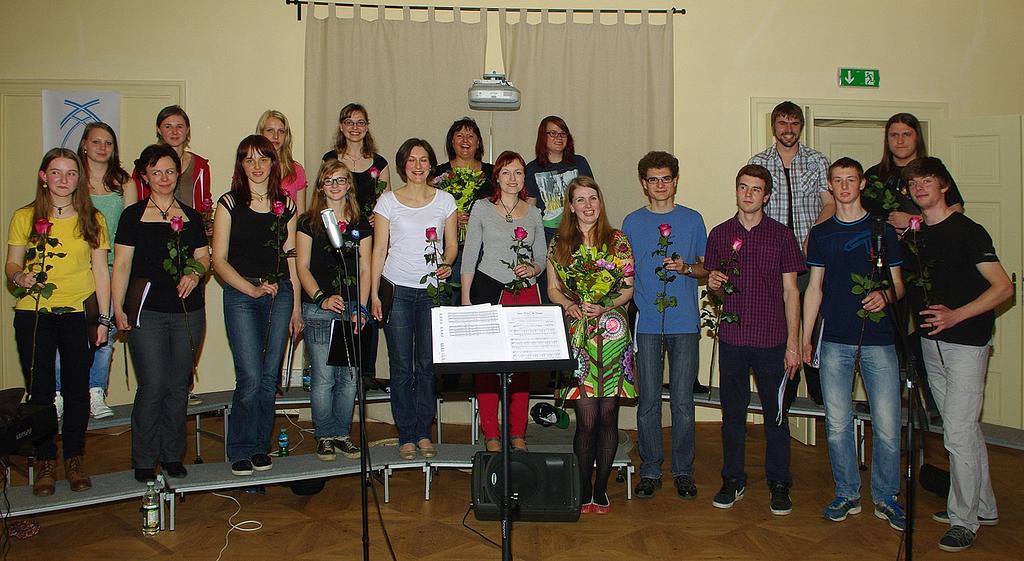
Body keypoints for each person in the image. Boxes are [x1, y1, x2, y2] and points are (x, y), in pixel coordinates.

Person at [903, 157, 1012, 553]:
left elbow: (1003, 288)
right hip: (931, 344)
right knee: (962, 429)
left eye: (927, 181)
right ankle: (984, 506)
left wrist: (956, 315)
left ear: (944, 186)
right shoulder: (915, 235)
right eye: (914, 183)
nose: (919, 188)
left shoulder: (968, 231)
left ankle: (964, 521)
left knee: (958, 433)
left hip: (966, 343)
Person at [801, 157, 906, 531]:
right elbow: (814, 288)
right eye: (838, 180)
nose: (844, 186)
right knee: (837, 424)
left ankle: (886, 497)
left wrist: (885, 295)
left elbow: (898, 285)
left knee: (888, 425)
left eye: (851, 179)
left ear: (861, 184)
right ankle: (847, 493)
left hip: (879, 340)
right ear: (830, 186)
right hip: (835, 339)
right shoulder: (822, 233)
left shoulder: (882, 230)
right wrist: (805, 337)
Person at [6, 148, 110, 496]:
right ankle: (46, 460)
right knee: (40, 391)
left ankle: (75, 458)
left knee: (77, 390)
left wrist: (103, 319)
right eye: (56, 172)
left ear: (79, 178)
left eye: (70, 172)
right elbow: (11, 263)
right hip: (34, 313)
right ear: (43, 177)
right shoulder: (25, 217)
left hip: (77, 313)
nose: (64, 179)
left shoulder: (92, 219)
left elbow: (100, 272)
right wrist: (19, 276)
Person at [705, 164, 803, 515]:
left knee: (776, 415)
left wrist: (794, 343)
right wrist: (714, 285)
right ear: (736, 190)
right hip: (733, 338)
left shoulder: (782, 236)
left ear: (767, 196)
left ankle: (779, 482)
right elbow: (716, 290)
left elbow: (792, 292)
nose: (748, 194)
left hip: (772, 338)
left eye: (756, 189)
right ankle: (733, 479)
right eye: (743, 187)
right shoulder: (719, 234)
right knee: (732, 415)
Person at [112, 144, 208, 483]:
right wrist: (117, 307)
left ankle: (172, 455)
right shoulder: (132, 216)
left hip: (187, 312)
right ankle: (143, 458)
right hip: (146, 313)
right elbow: (121, 265)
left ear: (178, 174)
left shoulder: (191, 217)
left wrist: (195, 273)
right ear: (145, 176)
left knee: (178, 385)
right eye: (156, 172)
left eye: (169, 171)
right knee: (153, 384)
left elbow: (204, 257)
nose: (164, 178)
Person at [212, 135, 302, 476]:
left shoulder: (286, 205)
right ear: (241, 165)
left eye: (263, 159)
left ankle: (260, 447)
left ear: (273, 163)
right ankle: (239, 449)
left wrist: (295, 307)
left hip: (279, 295)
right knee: (249, 376)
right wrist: (250, 289)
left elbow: (291, 258)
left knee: (268, 378)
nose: (257, 166)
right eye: (249, 160)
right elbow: (218, 261)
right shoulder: (229, 203)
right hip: (241, 295)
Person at [545, 176, 635, 514]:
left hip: (611, 334)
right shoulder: (559, 243)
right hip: (578, 336)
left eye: (593, 198)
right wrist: (569, 304)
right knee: (585, 418)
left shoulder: (618, 240)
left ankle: (601, 490)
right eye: (580, 199)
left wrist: (605, 305)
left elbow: (628, 288)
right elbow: (553, 289)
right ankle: (583, 488)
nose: (587, 205)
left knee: (608, 416)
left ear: (600, 202)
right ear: (570, 206)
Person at [622, 151, 708, 500]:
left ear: (675, 181)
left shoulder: (693, 219)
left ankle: (683, 471)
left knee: (684, 402)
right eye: (653, 179)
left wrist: (687, 268)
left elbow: (706, 268)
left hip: (684, 322)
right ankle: (651, 469)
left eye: (666, 179)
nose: (660, 185)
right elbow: (624, 273)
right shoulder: (631, 222)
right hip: (646, 324)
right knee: (648, 402)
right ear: (644, 184)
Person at [370, 139, 456, 460]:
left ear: (431, 164)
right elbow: (379, 249)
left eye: (423, 159)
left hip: (432, 291)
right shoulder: (387, 202)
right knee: (401, 365)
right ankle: (406, 433)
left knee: (427, 365)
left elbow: (451, 245)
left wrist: (447, 263)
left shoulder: (445, 200)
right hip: (398, 290)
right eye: (411, 160)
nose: (418, 166)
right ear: (403, 165)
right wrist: (374, 294)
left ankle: (423, 432)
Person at [749, 101, 833, 405]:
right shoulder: (759, 161)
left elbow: (830, 203)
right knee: (781, 328)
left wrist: (815, 232)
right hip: (773, 263)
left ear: (801, 127)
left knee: (814, 325)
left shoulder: (817, 161)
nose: (788, 129)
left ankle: (821, 394)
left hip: (810, 262)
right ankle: (784, 395)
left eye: (794, 123)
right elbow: (752, 209)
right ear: (773, 126)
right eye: (783, 123)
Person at [460, 150, 545, 452]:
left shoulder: (534, 213)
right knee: (486, 367)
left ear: (524, 178)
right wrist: (466, 299)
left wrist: (533, 268)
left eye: (518, 172)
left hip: (524, 294)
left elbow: (542, 256)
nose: (512, 178)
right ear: (496, 177)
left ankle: (518, 432)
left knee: (522, 369)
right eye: (506, 172)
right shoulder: (482, 208)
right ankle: (491, 434)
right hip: (488, 291)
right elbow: (470, 254)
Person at [295, 160, 370, 461]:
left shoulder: (359, 223)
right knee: (324, 378)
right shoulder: (308, 222)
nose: (335, 185)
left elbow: (365, 268)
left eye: (341, 180)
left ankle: (342, 434)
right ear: (320, 186)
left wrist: (361, 308)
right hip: (320, 309)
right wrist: (321, 298)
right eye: (329, 180)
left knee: (349, 377)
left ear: (349, 185)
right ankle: (324, 435)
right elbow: (302, 266)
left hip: (351, 309)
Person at [61, 122, 137, 420]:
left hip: (113, 268)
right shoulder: (73, 180)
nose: (102, 148)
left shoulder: (124, 183)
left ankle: (95, 392)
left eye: (108, 142)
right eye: (96, 142)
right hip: (77, 268)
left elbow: (131, 228)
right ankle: (62, 394)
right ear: (84, 145)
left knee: (104, 332)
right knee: (68, 336)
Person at [322, 103, 390, 388]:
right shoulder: (330, 159)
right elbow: (323, 195)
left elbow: (386, 203)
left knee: (367, 302)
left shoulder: (379, 164)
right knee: (338, 303)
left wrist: (378, 219)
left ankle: (365, 372)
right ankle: (332, 372)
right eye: (349, 122)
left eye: (360, 122)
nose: (354, 127)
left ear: (367, 126)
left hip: (368, 240)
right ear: (341, 126)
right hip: (337, 239)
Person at [863, 113, 965, 228]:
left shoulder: (933, 170)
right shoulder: (873, 175)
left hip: (928, 238)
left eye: (906, 134)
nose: (900, 141)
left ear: (917, 138)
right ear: (887, 140)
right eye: (894, 135)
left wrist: (914, 221)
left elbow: (956, 210)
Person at [525, 116, 594, 241]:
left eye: (563, 133)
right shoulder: (532, 168)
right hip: (545, 236)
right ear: (543, 136)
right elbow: (530, 208)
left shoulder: (579, 163)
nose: (559, 137)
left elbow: (591, 199)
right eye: (553, 133)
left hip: (578, 233)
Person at [134, 105, 211, 210]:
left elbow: (205, 202)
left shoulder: (201, 166)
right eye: (168, 126)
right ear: (159, 130)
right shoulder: (144, 164)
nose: (174, 131)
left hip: (191, 220)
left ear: (187, 130)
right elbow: (136, 200)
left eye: (180, 126)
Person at [258, 109, 307, 213]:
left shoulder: (296, 170)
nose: (276, 136)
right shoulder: (250, 168)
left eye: (281, 131)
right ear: (261, 133)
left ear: (286, 136)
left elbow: (300, 214)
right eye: (270, 130)